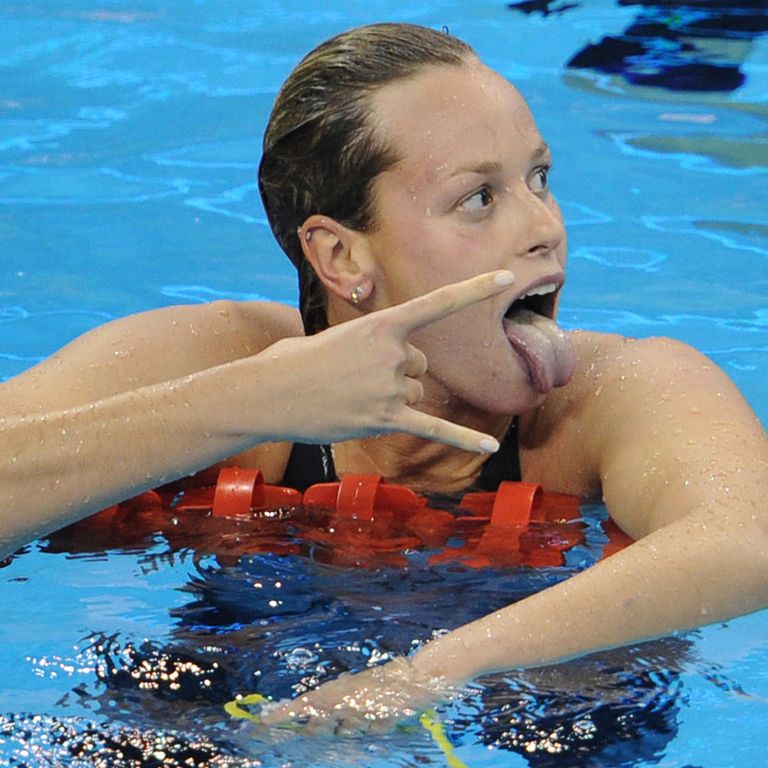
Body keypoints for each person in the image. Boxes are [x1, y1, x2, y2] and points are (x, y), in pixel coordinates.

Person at [1, 22, 766, 734]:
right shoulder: (219, 360)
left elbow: (749, 541)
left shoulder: (616, 394)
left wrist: (430, 674)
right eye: (479, 198)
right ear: (342, 259)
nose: (545, 227)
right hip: (250, 647)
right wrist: (243, 404)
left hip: (534, 691)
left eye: (539, 178)